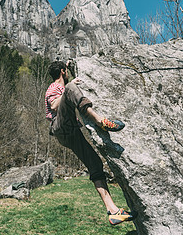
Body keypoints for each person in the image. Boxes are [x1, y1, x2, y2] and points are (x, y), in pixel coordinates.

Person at [45, 60, 134, 225]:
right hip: (60, 126)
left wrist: (68, 64)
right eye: (66, 70)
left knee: (95, 164)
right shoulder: (54, 87)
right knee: (71, 89)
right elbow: (54, 105)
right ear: (63, 72)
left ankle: (113, 211)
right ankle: (101, 121)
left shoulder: (61, 82)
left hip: (70, 132)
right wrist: (69, 86)